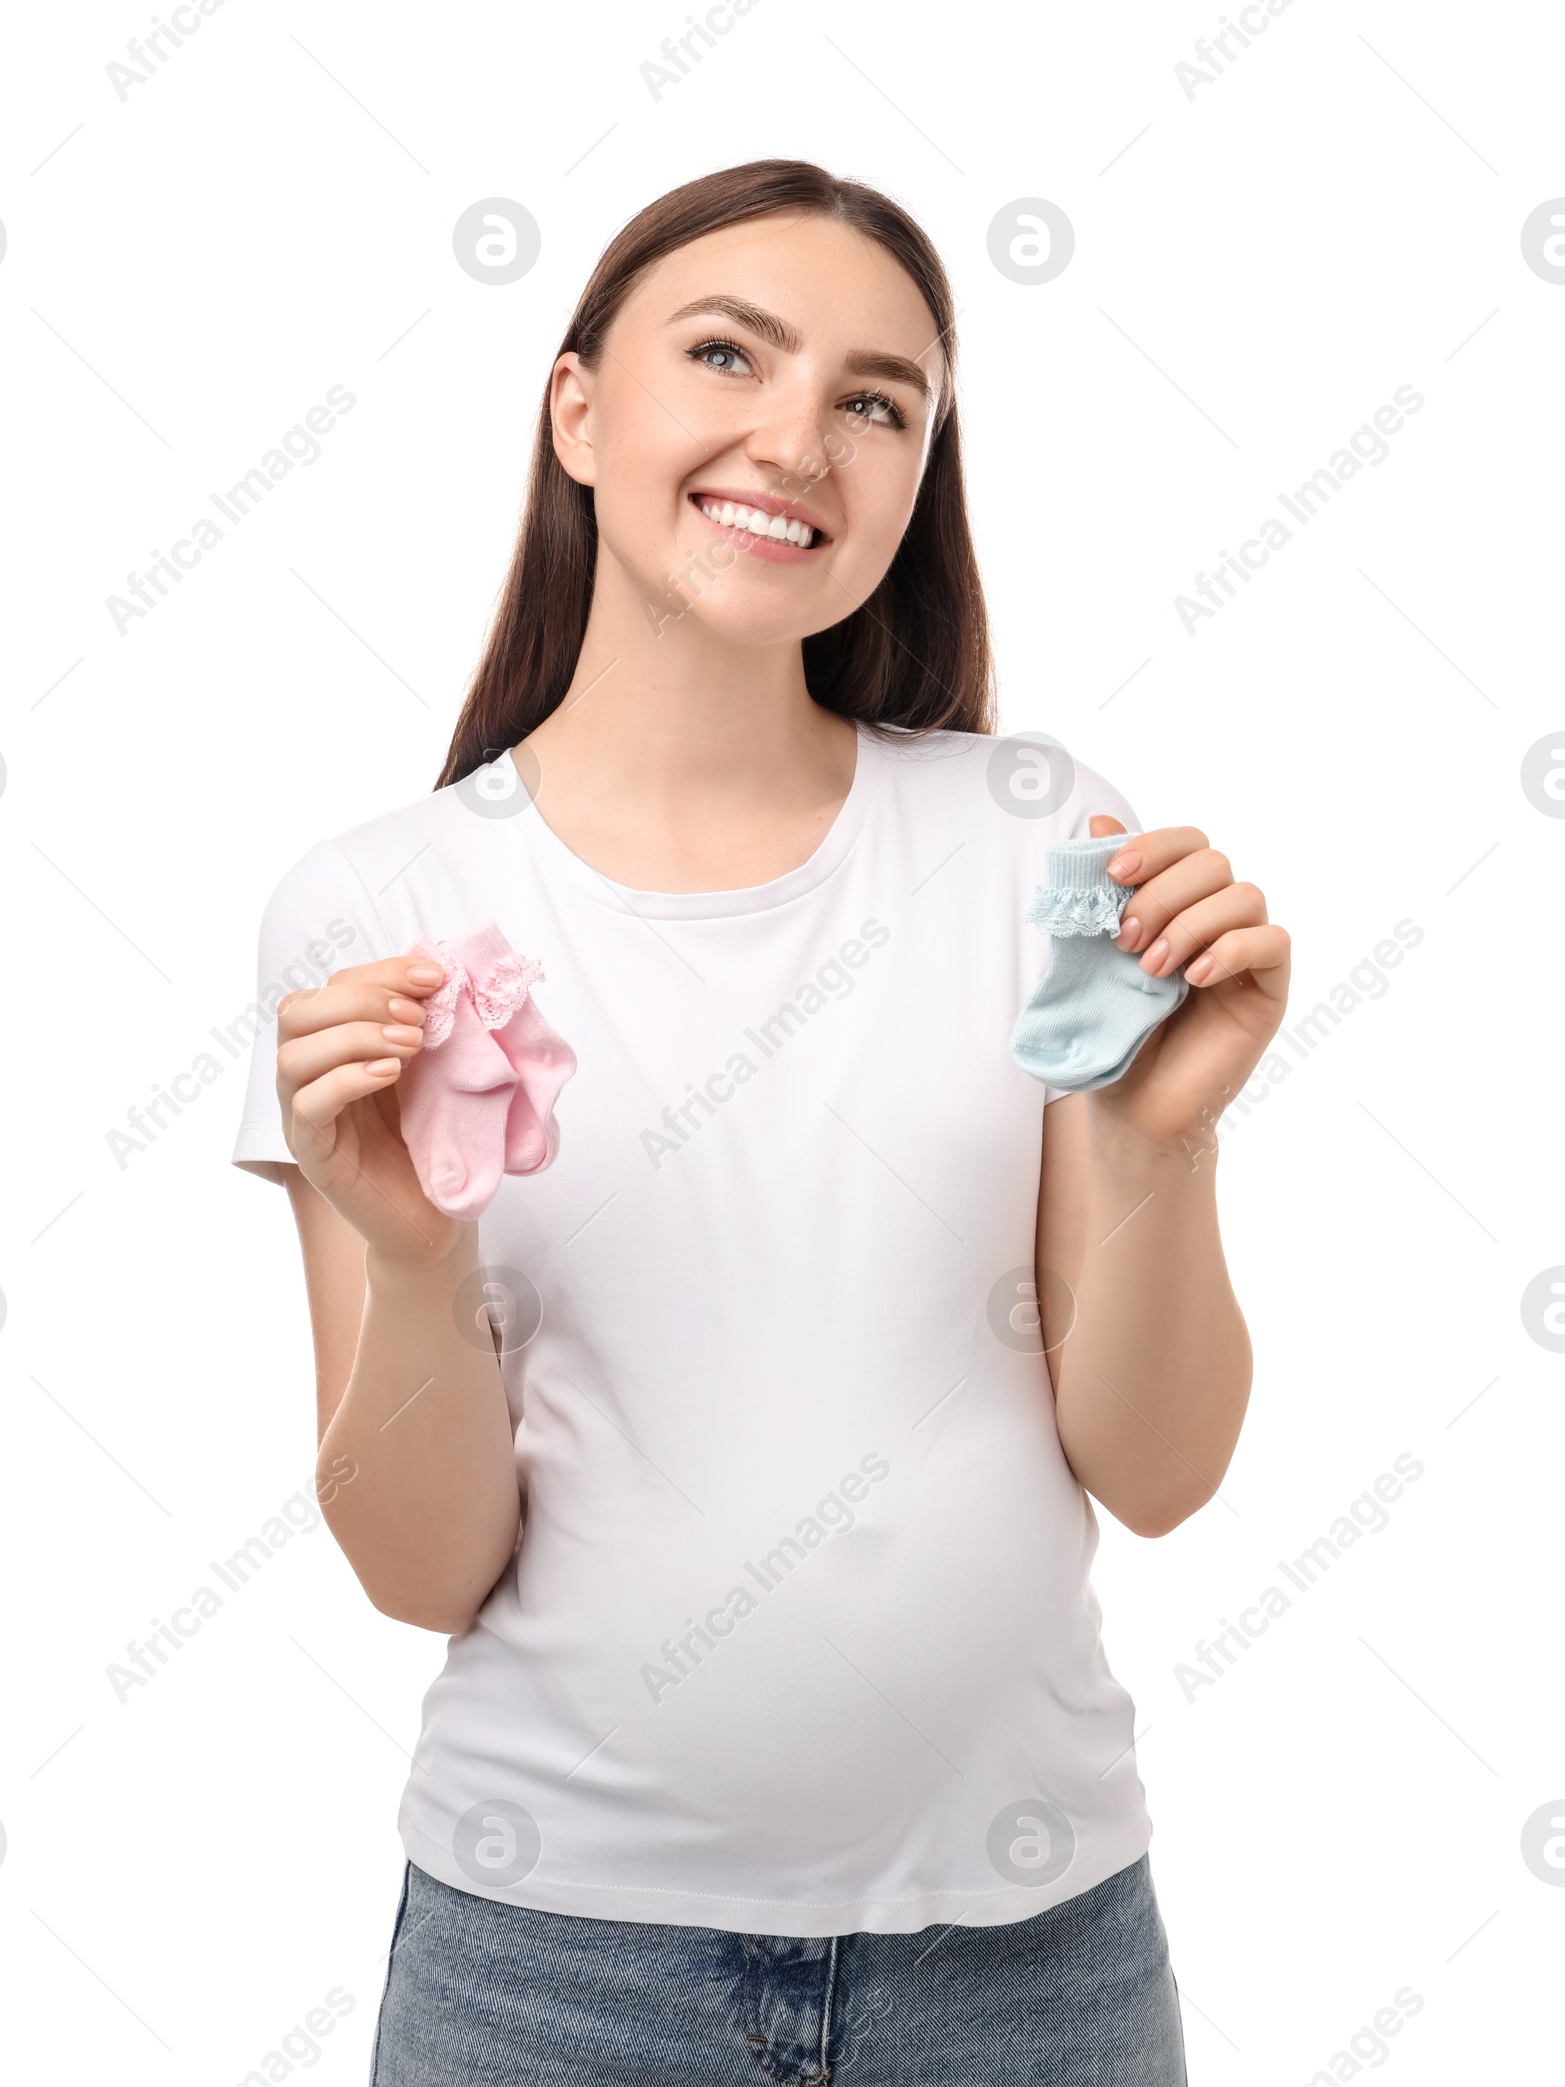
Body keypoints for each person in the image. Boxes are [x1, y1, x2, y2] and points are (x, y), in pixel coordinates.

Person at [231, 159, 1289, 2085]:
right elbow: (420, 1570)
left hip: (1028, 1975)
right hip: (553, 1981)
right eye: (728, 353)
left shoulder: (1038, 839)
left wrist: (1156, 1146)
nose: (798, 438)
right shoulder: (375, 913)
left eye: (877, 401)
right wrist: (410, 1251)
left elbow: (1158, 1467)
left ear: (914, 475)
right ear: (577, 410)